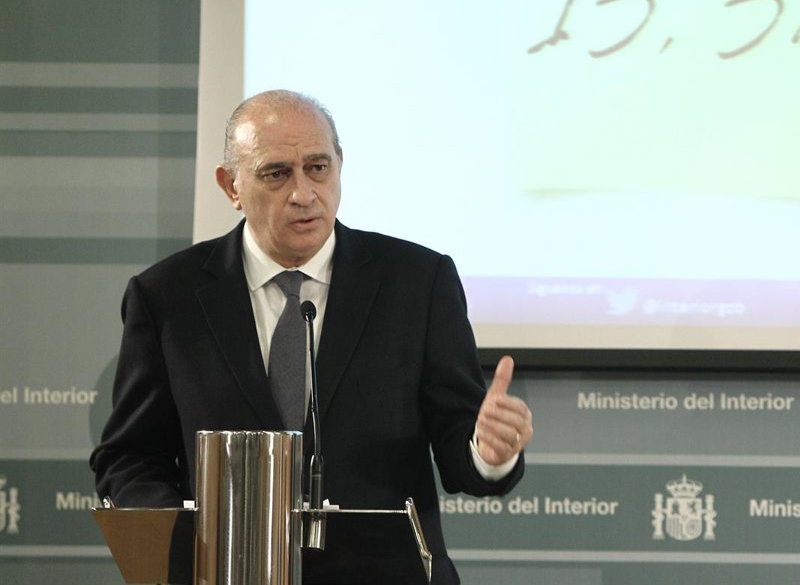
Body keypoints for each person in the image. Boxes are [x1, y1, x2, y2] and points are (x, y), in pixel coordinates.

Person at [90, 89, 532, 584]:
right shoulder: (168, 296)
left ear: (339, 166)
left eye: (318, 168)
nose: (303, 193)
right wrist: (187, 545)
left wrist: (488, 451)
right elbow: (130, 458)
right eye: (276, 173)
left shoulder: (417, 282)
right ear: (231, 186)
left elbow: (459, 447)